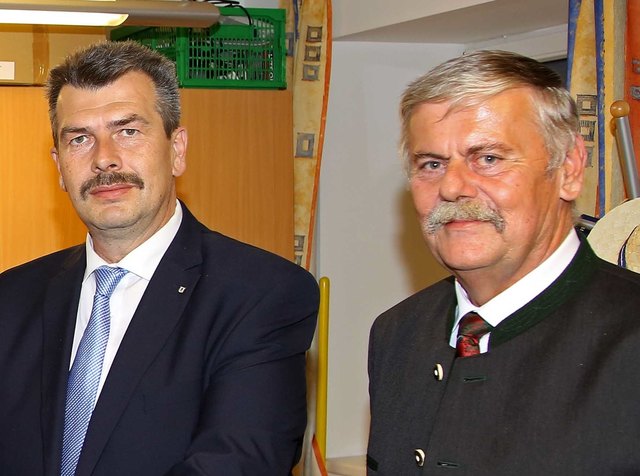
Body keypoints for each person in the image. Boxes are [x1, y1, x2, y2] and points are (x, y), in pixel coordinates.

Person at [0, 40, 319, 476]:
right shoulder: (12, 298)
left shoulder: (261, 295)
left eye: (128, 131)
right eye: (80, 139)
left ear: (177, 149)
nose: (104, 160)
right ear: (58, 165)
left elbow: (237, 462)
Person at [367, 50, 640, 475]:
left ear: (568, 170)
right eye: (432, 164)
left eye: (488, 159)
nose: (454, 187)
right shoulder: (398, 333)